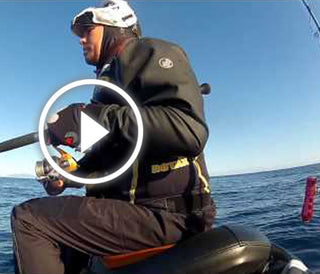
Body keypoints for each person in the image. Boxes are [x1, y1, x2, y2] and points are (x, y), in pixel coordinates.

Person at [11, 1, 216, 273]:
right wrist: (69, 177)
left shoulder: (148, 52)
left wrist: (92, 118)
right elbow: (109, 161)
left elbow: (188, 129)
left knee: (29, 219)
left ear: (115, 26)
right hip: (131, 212)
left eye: (87, 29)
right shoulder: (107, 87)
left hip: (171, 217)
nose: (81, 39)